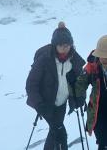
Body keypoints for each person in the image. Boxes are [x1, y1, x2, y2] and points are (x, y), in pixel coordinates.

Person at [26, 22, 86, 150]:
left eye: (67, 45)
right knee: (60, 133)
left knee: (54, 132)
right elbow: (31, 84)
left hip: (61, 104)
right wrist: (39, 104)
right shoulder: (44, 60)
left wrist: (79, 97)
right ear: (55, 45)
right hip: (46, 104)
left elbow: (80, 82)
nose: (64, 48)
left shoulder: (74, 60)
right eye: (61, 45)